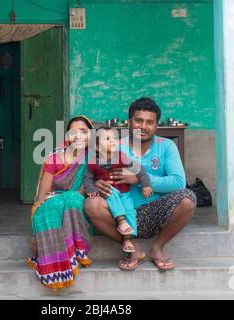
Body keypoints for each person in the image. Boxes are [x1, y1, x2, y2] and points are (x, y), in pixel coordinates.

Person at [84, 98, 196, 271]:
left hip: (157, 212)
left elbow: (179, 182)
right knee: (92, 204)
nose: (143, 126)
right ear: (129, 122)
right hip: (119, 214)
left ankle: (157, 247)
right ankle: (134, 247)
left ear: (156, 125)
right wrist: (97, 183)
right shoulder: (114, 146)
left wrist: (138, 179)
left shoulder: (166, 146)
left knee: (188, 199)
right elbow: (92, 172)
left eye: (149, 122)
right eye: (138, 120)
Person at [26, 116, 95, 290]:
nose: (78, 136)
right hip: (55, 200)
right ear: (66, 136)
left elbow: (81, 192)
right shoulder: (54, 159)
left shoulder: (94, 157)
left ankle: (77, 250)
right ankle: (55, 267)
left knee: (72, 199)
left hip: (78, 207)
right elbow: (42, 195)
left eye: (84, 132)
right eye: (73, 132)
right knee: (50, 207)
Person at [83, 127, 152, 253]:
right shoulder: (94, 163)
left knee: (130, 212)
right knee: (111, 192)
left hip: (125, 194)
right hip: (108, 194)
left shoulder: (122, 156)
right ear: (97, 148)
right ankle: (121, 220)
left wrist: (146, 185)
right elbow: (87, 178)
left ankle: (128, 239)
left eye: (115, 138)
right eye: (107, 139)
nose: (113, 141)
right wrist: (91, 189)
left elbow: (139, 169)